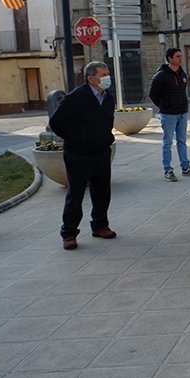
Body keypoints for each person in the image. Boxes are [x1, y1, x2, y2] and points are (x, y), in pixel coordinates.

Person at [49, 62, 117, 250]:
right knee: (76, 194)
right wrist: (74, 138)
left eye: (107, 73)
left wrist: (106, 138)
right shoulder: (76, 97)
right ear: (91, 78)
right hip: (78, 155)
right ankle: (69, 233)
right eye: (103, 74)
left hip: (101, 152)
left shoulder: (108, 97)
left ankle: (100, 226)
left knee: (102, 192)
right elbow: (56, 122)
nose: (107, 77)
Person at [149, 47, 190, 182]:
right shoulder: (161, 76)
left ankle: (185, 167)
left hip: (182, 113)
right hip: (168, 115)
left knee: (182, 141)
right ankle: (168, 170)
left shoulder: (182, 74)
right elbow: (153, 94)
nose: (180, 58)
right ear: (170, 59)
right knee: (167, 142)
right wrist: (165, 106)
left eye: (180, 56)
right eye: (177, 56)